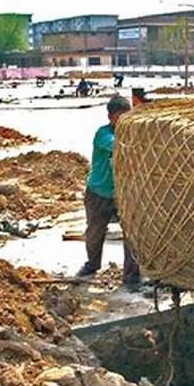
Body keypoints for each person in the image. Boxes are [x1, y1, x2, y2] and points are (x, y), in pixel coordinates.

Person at [76, 96, 140, 289]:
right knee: (95, 233)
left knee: (132, 235)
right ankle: (92, 265)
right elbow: (117, 146)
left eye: (126, 117)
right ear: (110, 117)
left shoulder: (132, 135)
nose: (122, 122)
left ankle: (132, 276)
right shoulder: (103, 134)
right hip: (99, 192)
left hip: (123, 194)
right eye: (119, 117)